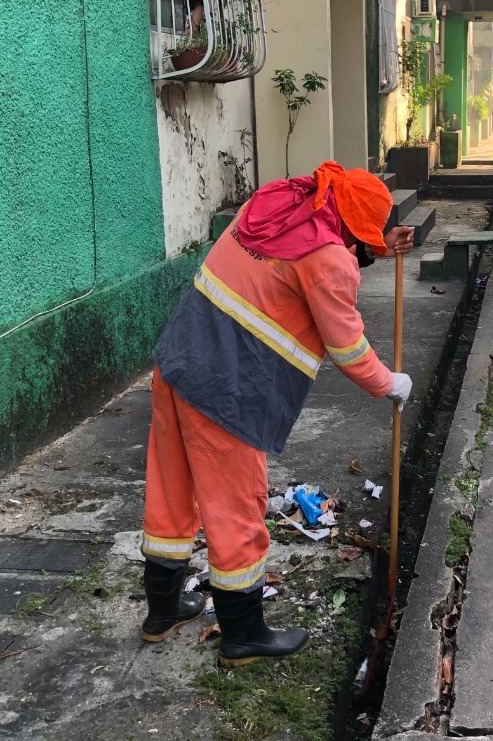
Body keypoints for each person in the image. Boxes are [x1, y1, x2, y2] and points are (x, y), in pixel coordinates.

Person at [138, 161, 415, 667]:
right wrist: (390, 383)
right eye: (364, 237)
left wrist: (375, 245)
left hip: (178, 362)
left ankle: (163, 611)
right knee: (235, 509)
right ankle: (243, 635)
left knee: (171, 491)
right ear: (351, 229)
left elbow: (318, 254)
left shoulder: (275, 205)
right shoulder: (331, 260)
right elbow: (347, 346)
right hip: (228, 392)